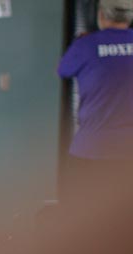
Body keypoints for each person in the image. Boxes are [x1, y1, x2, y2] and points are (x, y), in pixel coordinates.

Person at [56, 0, 133, 225]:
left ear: (101, 15)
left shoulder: (86, 45)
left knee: (85, 220)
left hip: (91, 150)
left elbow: (63, 70)